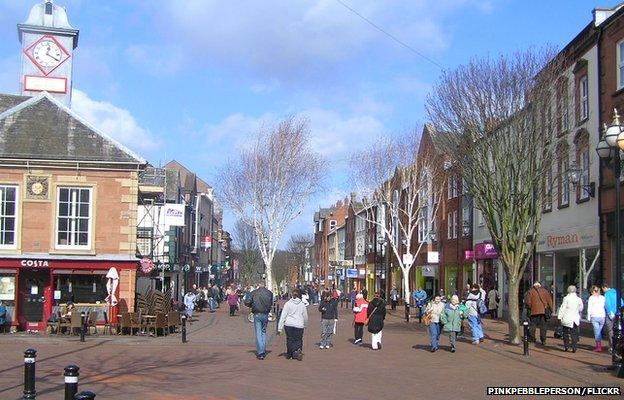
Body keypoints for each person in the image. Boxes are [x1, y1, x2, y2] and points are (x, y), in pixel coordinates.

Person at [278, 288, 308, 361]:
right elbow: (305, 316)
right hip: (299, 324)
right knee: (298, 339)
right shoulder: (302, 304)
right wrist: (305, 324)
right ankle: (298, 350)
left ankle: (289, 354)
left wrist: (280, 328)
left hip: (289, 324)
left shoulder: (288, 304)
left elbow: (283, 316)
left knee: (289, 339)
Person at [248, 281, 274, 360]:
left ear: (258, 285)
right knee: (263, 332)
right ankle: (263, 349)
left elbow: (247, 301)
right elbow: (271, 303)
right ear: (265, 285)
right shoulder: (269, 293)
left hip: (257, 314)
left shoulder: (254, 293)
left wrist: (251, 305)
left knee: (259, 332)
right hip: (265, 314)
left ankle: (261, 352)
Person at [557, 285, 583, 353]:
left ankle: (566, 346)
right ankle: (574, 347)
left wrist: (559, 317)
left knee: (565, 332)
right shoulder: (578, 299)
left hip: (567, 317)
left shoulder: (566, 298)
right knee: (574, 333)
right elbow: (581, 308)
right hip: (575, 318)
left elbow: (563, 308)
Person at [602, 283, 621, 354]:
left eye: (603, 289)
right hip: (618, 313)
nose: (603, 291)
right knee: (619, 331)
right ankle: (618, 346)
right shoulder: (616, 293)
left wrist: (610, 313)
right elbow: (622, 303)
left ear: (605, 287)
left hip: (611, 315)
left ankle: (612, 346)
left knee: (611, 331)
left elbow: (607, 304)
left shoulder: (607, 294)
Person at [587, 285, 606, 352]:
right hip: (600, 316)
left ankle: (598, 346)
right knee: (598, 332)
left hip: (597, 316)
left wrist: (588, 317)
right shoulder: (602, 298)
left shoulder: (592, 298)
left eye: (597, 290)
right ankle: (598, 345)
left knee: (597, 332)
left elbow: (589, 308)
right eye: (596, 290)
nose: (597, 292)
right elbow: (605, 306)